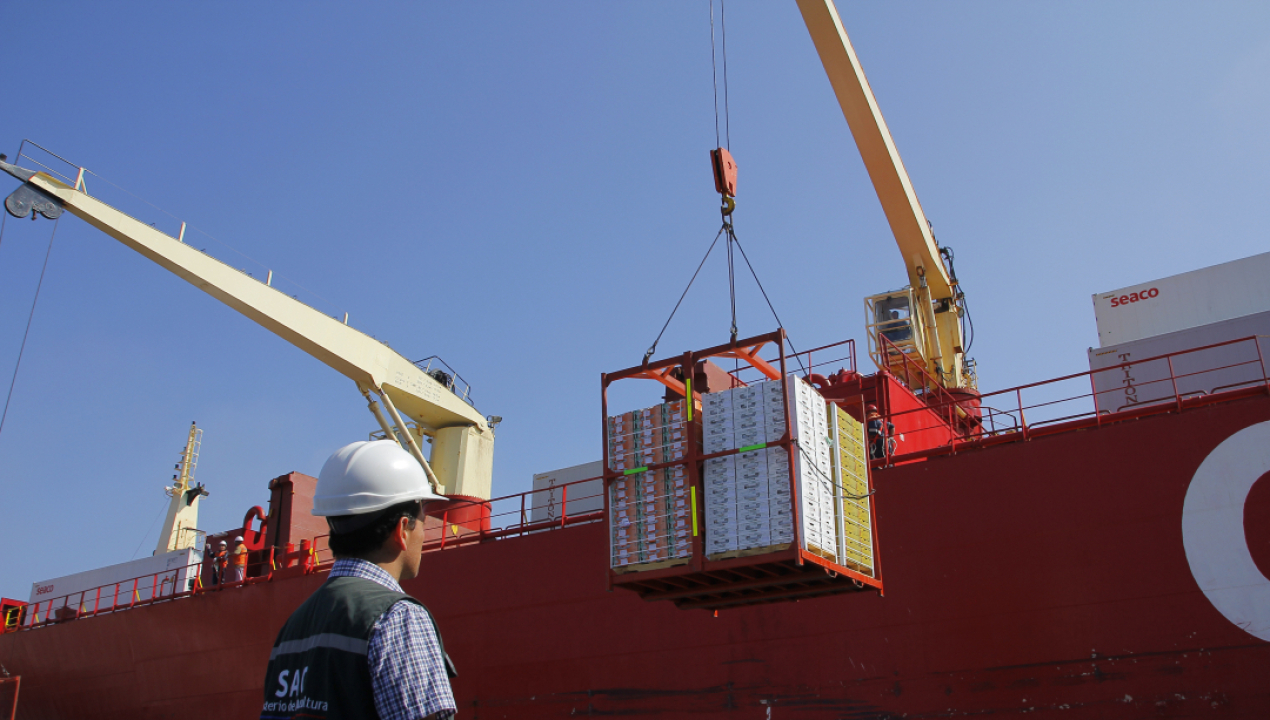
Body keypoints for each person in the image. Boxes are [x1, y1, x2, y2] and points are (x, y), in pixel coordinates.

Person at [261, 440, 456, 720]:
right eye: (424, 519)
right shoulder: (398, 617)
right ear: (403, 529)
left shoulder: (292, 628)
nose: (425, 534)